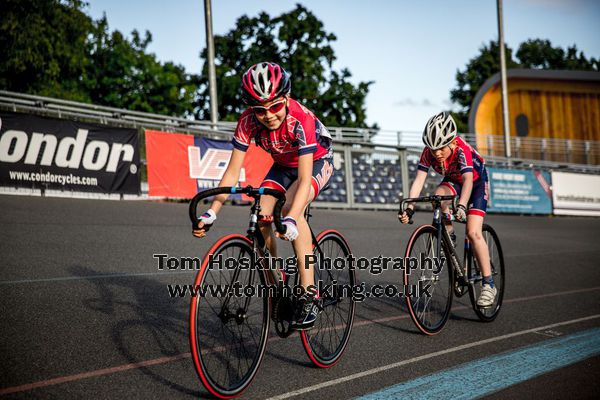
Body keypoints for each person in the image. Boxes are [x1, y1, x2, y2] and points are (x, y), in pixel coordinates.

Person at [192, 61, 334, 330]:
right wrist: (212, 213)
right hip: (283, 165)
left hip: (316, 162)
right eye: (260, 109)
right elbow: (232, 172)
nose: (268, 115)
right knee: (261, 215)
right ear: (250, 109)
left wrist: (291, 218)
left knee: (293, 208)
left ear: (286, 98)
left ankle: (309, 293)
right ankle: (276, 278)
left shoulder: (299, 118)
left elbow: (304, 179)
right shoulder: (246, 122)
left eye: (275, 106)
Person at [399, 112, 497, 307]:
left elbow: (468, 180)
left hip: (476, 183)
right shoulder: (428, 152)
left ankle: (489, 284)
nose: (436, 153)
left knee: (473, 231)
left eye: (441, 148)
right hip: (454, 181)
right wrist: (410, 207)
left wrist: (461, 205)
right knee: (437, 196)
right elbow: (419, 180)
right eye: (433, 148)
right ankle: (448, 235)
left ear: (451, 142)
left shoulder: (462, 150)